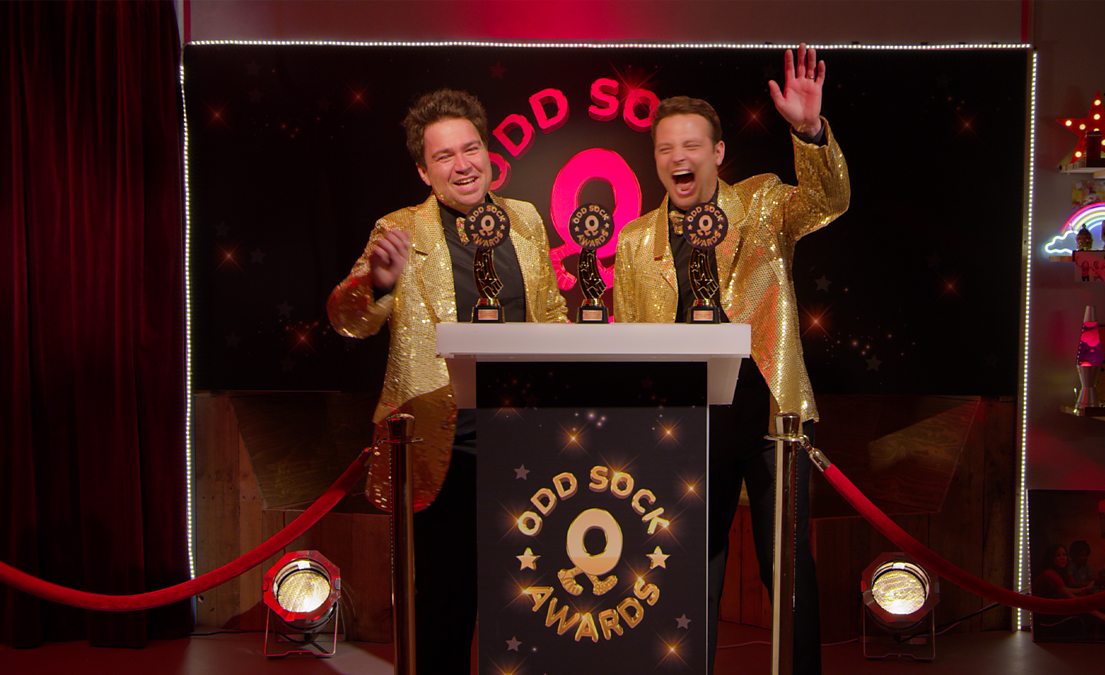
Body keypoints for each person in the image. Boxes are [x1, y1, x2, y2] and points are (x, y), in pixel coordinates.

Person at [613, 45, 850, 674]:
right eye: (666, 148)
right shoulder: (634, 242)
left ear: (718, 153)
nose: (679, 158)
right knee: (688, 578)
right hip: (686, 432)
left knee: (789, 573)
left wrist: (810, 132)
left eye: (692, 145)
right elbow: (630, 344)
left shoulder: (763, 204)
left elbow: (828, 200)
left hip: (771, 423)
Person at [326, 89, 568, 674]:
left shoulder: (525, 219)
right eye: (444, 156)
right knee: (443, 611)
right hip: (442, 454)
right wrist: (378, 283)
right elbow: (349, 320)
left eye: (471, 148)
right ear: (423, 171)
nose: (463, 165)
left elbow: (552, 316)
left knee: (530, 612)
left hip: (527, 451)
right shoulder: (400, 229)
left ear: (487, 152)